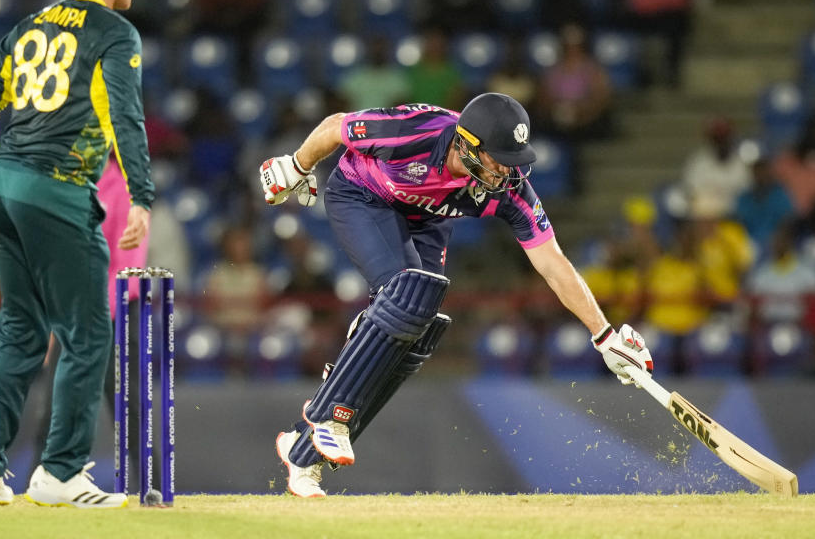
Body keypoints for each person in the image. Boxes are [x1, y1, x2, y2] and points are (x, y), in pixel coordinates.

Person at [258, 93, 654, 497]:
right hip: (362, 196)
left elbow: (552, 261)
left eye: (513, 156)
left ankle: (301, 451)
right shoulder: (410, 132)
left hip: (427, 219)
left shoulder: (509, 190)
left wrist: (604, 335)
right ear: (465, 143)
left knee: (420, 326)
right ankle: (329, 416)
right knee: (406, 295)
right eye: (498, 156)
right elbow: (335, 125)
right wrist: (296, 166)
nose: (507, 169)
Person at [0, 0, 153, 509]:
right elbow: (126, 118)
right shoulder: (115, 33)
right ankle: (60, 473)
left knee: (20, 327)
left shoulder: (27, 27)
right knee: (88, 334)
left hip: (8, 185)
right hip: (57, 189)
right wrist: (141, 195)